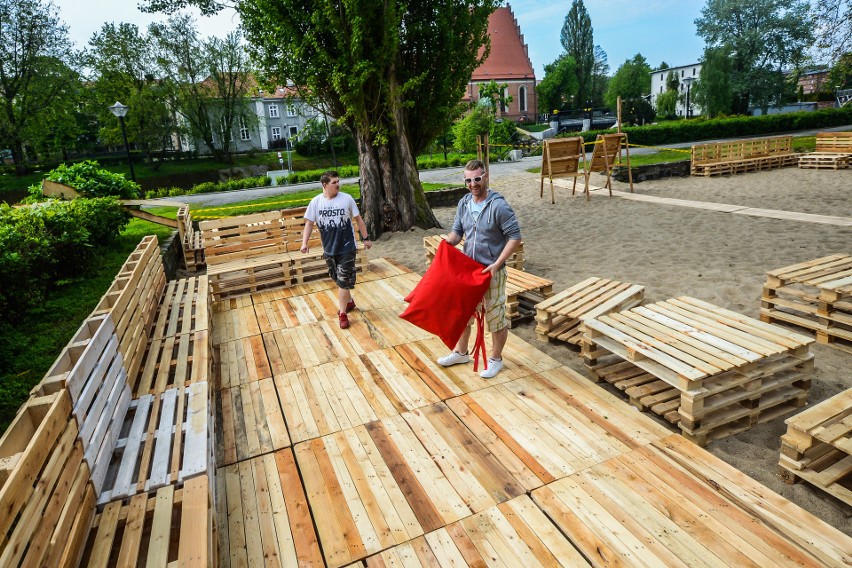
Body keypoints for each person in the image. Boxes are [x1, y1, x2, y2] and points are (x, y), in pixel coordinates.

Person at [436, 159, 521, 378]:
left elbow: (515, 237)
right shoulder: (464, 203)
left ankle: (496, 359)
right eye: (468, 180)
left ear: (486, 177)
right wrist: (449, 242)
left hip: (491, 271)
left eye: (477, 179)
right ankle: (462, 352)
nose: (473, 184)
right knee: (464, 313)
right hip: (468, 270)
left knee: (495, 316)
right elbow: (457, 232)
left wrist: (497, 263)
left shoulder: (499, 206)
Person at [301, 171, 372, 329]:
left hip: (347, 247)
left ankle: (342, 314)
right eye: (334, 182)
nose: (338, 185)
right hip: (329, 249)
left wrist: (366, 238)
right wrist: (304, 243)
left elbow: (358, 220)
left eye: (338, 181)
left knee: (343, 281)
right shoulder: (316, 202)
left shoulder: (346, 199)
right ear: (325, 185)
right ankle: (349, 301)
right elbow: (309, 224)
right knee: (337, 278)